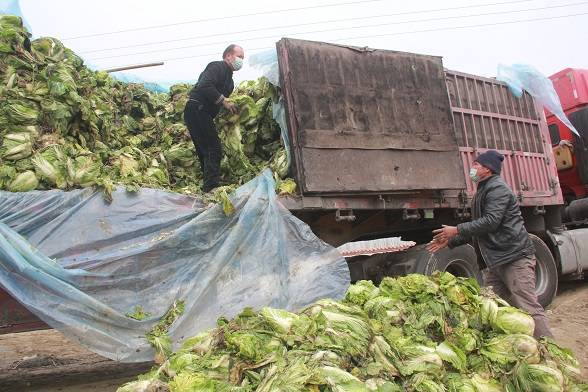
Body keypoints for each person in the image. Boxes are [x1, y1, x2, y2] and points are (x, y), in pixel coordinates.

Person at [426, 150, 553, 339]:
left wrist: (457, 229)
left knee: (527, 305)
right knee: (489, 306)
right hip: (496, 261)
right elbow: (480, 230)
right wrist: (451, 241)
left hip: (514, 257)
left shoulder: (497, 189)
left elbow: (491, 221)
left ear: (488, 169)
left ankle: (552, 351)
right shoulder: (483, 190)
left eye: (476, 165)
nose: (473, 168)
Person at [184, 44, 244, 192]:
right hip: (197, 108)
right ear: (228, 56)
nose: (241, 60)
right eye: (239, 56)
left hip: (200, 113)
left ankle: (208, 184)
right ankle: (211, 187)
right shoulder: (217, 67)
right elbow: (204, 85)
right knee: (213, 148)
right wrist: (223, 100)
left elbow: (220, 102)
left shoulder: (230, 82)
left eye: (242, 58)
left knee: (204, 149)